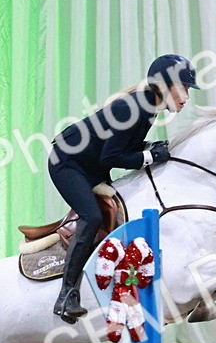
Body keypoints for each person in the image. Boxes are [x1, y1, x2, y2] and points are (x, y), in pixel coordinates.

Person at [48, 54, 200, 322]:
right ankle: (66, 295)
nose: (187, 96)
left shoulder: (149, 108)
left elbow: (123, 148)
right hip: (68, 163)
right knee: (92, 216)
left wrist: (149, 148)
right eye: (185, 88)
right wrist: (151, 156)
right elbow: (112, 157)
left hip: (90, 165)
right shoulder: (134, 107)